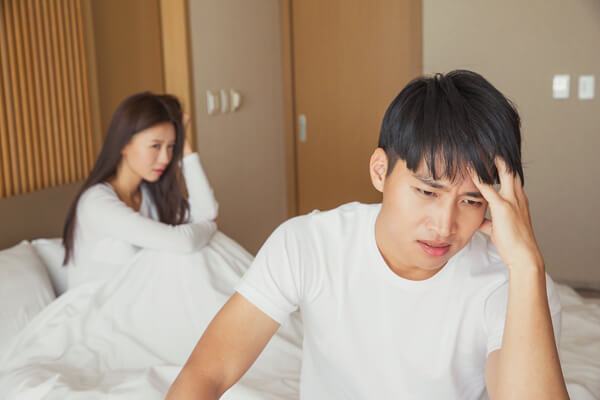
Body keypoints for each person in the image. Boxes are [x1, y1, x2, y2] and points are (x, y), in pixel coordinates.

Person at [166, 70, 569, 399]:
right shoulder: (309, 244)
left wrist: (526, 266)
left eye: (470, 200)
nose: (444, 225)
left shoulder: (512, 283)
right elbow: (208, 372)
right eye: (427, 192)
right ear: (380, 171)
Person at [62, 92, 218, 288]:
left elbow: (207, 213)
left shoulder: (150, 195)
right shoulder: (96, 203)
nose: (165, 158)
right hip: (101, 303)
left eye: (171, 147)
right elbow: (184, 242)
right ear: (124, 144)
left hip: (141, 297)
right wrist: (211, 227)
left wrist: (186, 150)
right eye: (155, 146)